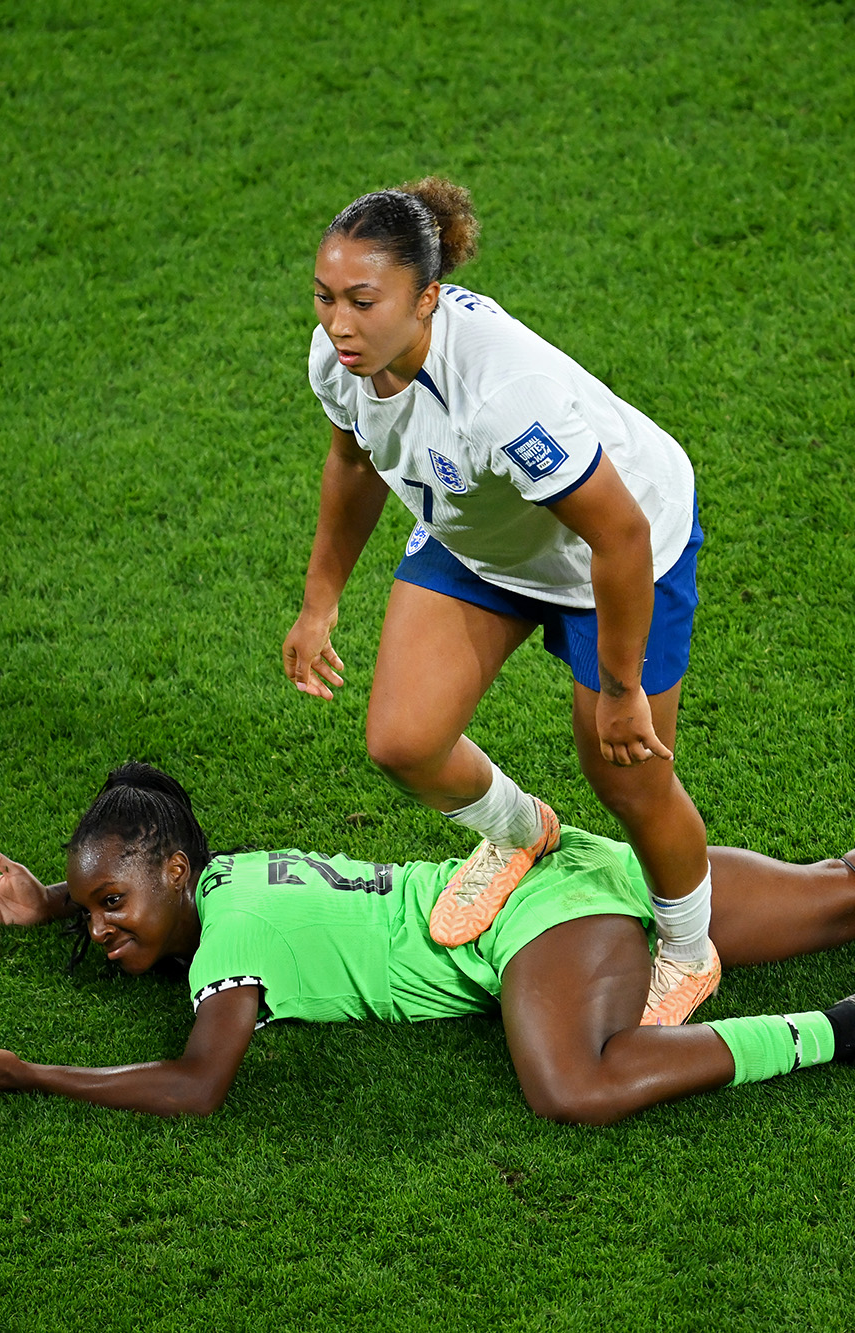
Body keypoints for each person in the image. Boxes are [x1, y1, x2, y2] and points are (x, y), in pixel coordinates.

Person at [0, 762, 855, 1124]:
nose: (100, 931)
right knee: (838, 891)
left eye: (108, 906)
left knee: (573, 1084)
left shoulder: (224, 953)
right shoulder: (235, 874)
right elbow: (135, 889)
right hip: (569, 868)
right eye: (87, 913)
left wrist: (30, 1071)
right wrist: (44, 908)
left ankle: (844, 1030)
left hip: (540, 926)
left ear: (176, 872)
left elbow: (199, 1083)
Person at [280, 177, 719, 1025]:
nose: (340, 324)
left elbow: (617, 536)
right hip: (482, 534)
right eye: (326, 298)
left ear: (427, 297)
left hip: (624, 547)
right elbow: (354, 461)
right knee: (403, 739)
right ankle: (522, 832)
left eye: (364, 301)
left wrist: (623, 692)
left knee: (625, 773)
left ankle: (691, 947)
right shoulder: (340, 359)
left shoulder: (498, 394)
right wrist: (318, 602)